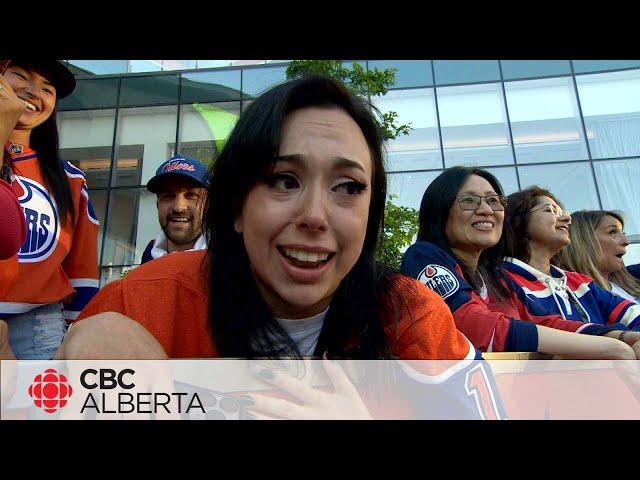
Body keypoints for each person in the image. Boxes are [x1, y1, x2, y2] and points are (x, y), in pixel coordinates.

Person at [53, 76, 508, 419]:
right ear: (235, 206)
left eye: (348, 187)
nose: (315, 215)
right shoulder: (140, 305)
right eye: (283, 180)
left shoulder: (411, 317)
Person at [401, 167, 638, 358]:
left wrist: (618, 337)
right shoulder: (423, 257)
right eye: (469, 201)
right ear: (440, 210)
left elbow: (545, 322)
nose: (486, 210)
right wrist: (607, 348)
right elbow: (473, 326)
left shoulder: (496, 277)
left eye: (494, 201)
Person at [0, 59, 99, 360]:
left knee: (43, 409)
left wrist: (77, 334)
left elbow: (82, 270)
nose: (33, 92)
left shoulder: (70, 179)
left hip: (39, 328)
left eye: (47, 89)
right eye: (20, 75)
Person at [502, 187, 640, 332]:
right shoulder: (501, 281)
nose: (567, 219)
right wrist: (615, 336)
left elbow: (634, 317)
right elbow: (527, 335)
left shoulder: (581, 283)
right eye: (550, 211)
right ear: (518, 222)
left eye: (562, 213)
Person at [554, 210, 640, 304]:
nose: (626, 241)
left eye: (623, 234)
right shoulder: (572, 300)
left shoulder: (630, 285)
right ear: (583, 241)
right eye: (612, 232)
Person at [140, 155, 209, 264]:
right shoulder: (142, 269)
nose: (179, 208)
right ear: (157, 205)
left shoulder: (232, 266)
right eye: (168, 196)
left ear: (208, 205)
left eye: (191, 195)